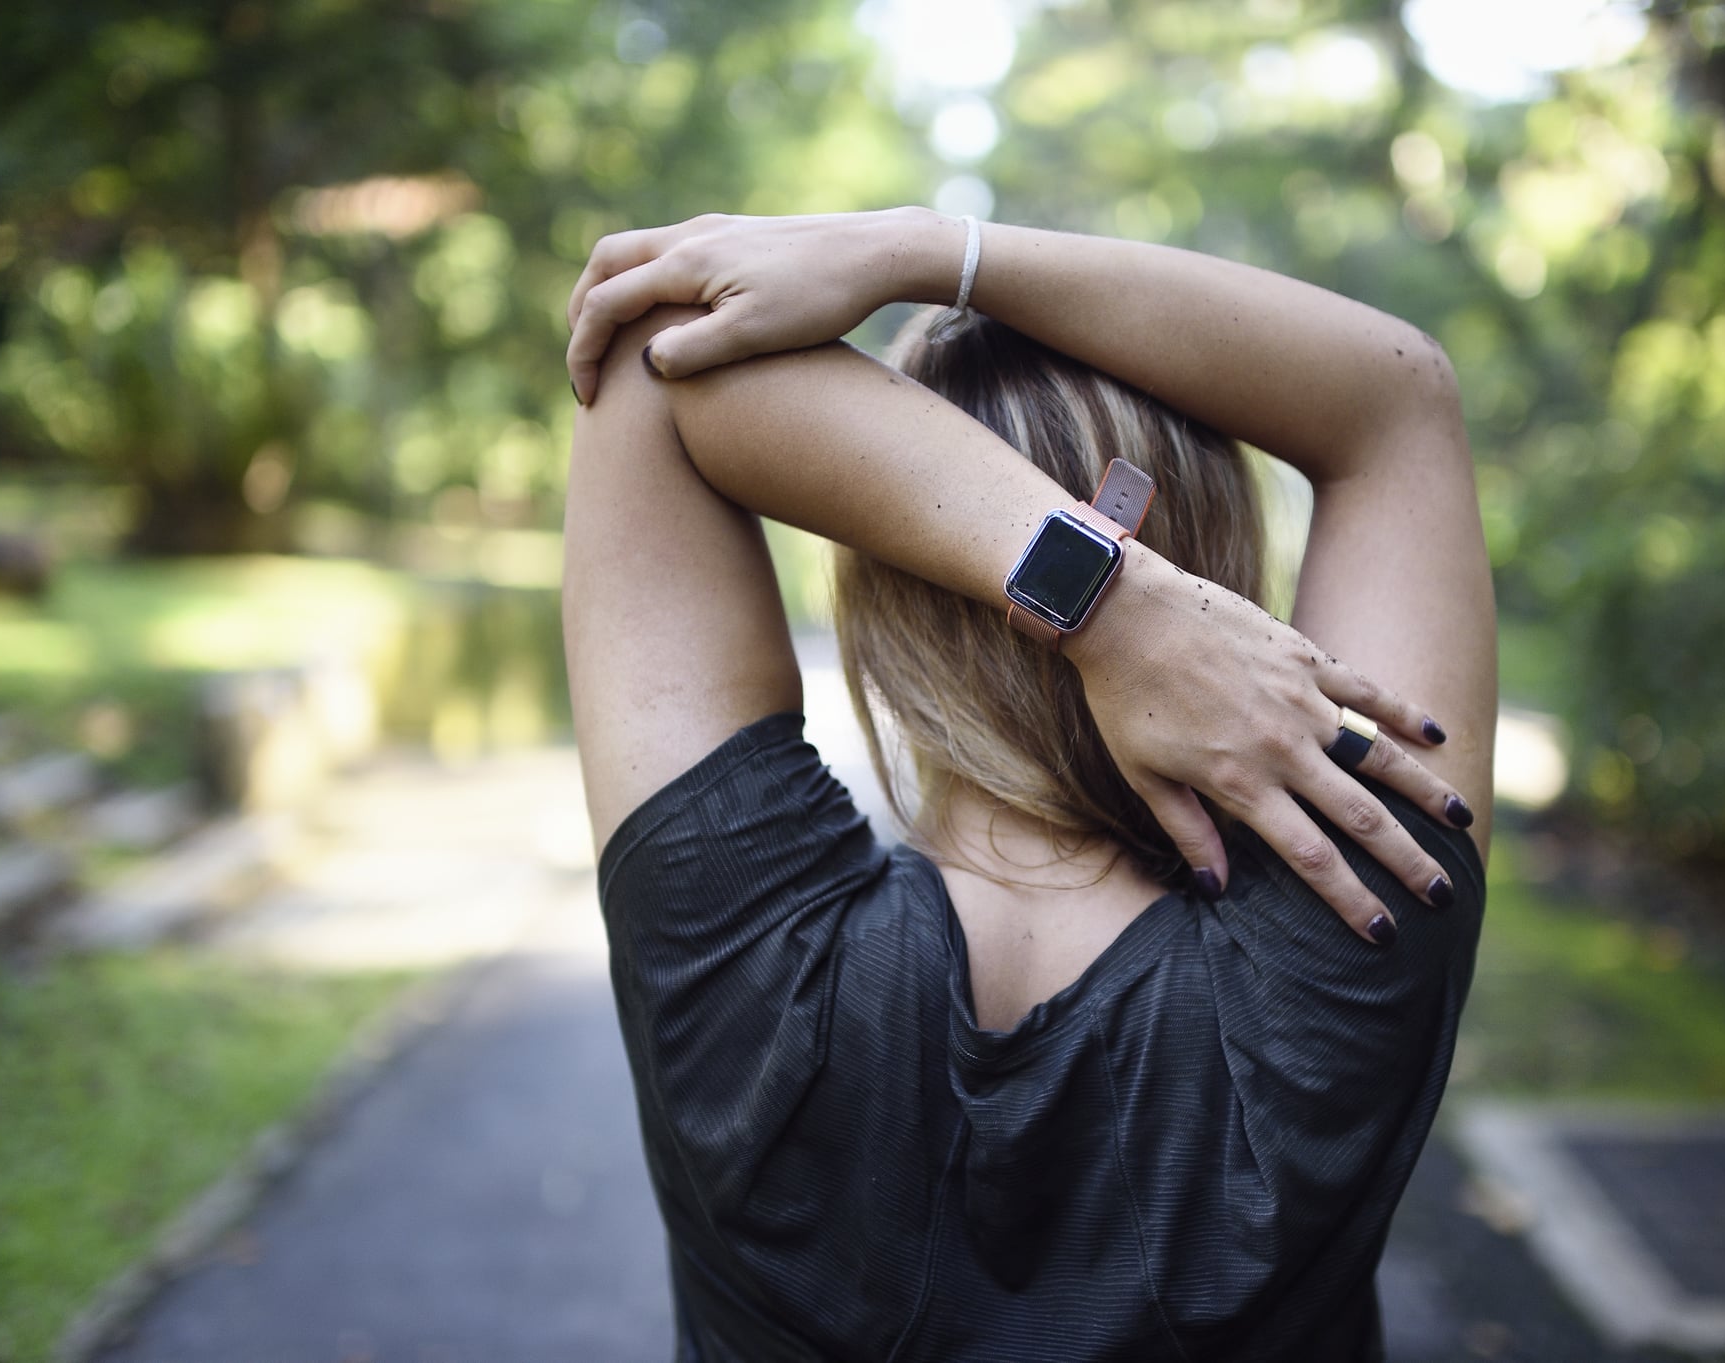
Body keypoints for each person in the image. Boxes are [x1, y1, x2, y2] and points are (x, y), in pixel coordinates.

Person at [560, 208, 1496, 1362]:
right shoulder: (1354, 921)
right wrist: (933, 253)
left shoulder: (736, 945)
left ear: (881, 598)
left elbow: (651, 354)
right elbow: (1394, 401)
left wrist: (1099, 603)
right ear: (1229, 592)